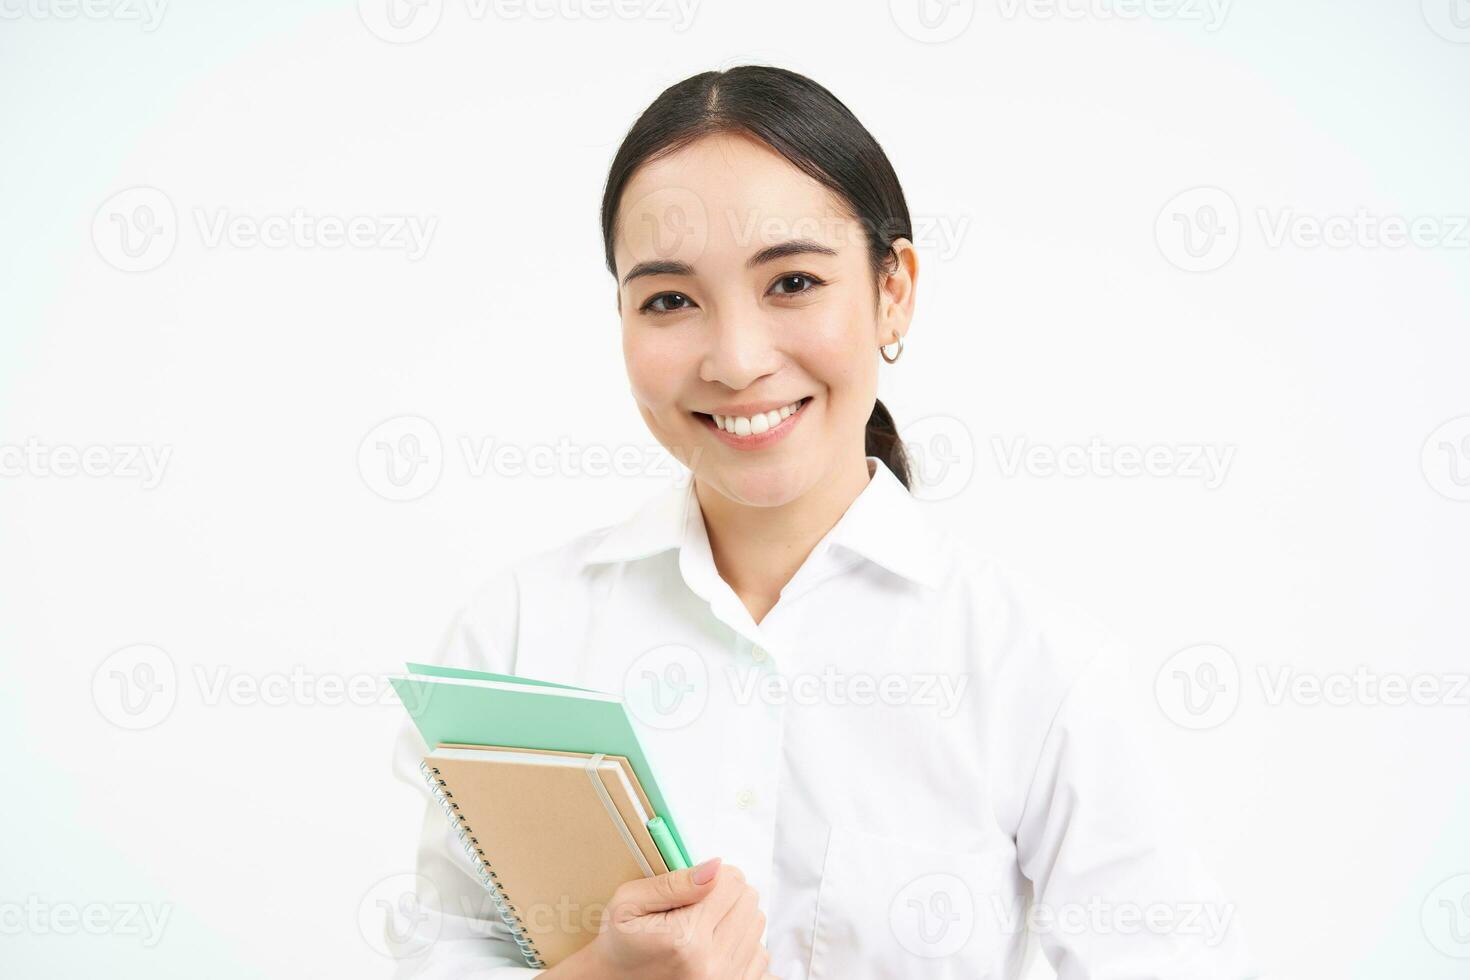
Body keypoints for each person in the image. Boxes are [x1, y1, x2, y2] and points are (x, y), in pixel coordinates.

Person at [390, 64, 1259, 980]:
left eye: (793, 281)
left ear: (894, 290)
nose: (735, 359)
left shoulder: (1035, 668)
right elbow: (440, 953)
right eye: (670, 300)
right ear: (620, 320)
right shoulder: (518, 636)